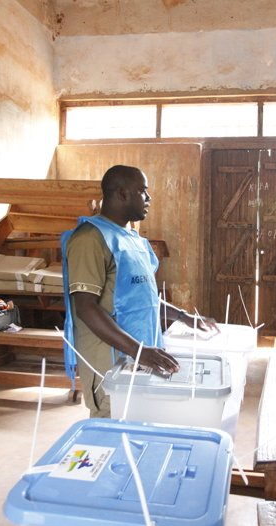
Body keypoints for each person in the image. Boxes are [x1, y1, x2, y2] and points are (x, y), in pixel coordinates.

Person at [61, 164, 217, 418]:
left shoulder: (135, 240)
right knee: (114, 424)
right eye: (143, 191)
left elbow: (144, 299)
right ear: (122, 193)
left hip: (141, 356)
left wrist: (183, 316)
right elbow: (86, 308)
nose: (149, 198)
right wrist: (138, 351)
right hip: (111, 362)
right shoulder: (90, 239)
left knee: (141, 422)